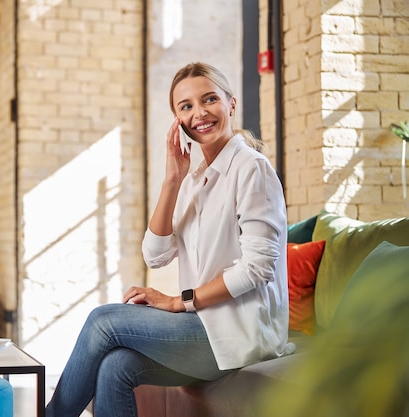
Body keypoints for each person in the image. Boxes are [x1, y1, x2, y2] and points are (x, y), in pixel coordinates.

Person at [45, 62, 292, 417]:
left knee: (104, 321)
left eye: (209, 99)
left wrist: (180, 301)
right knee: (116, 366)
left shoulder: (251, 168)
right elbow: (155, 254)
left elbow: (258, 268)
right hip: (204, 325)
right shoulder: (193, 179)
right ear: (177, 119)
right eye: (186, 106)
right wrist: (172, 180)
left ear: (231, 104)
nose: (200, 113)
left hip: (240, 331)